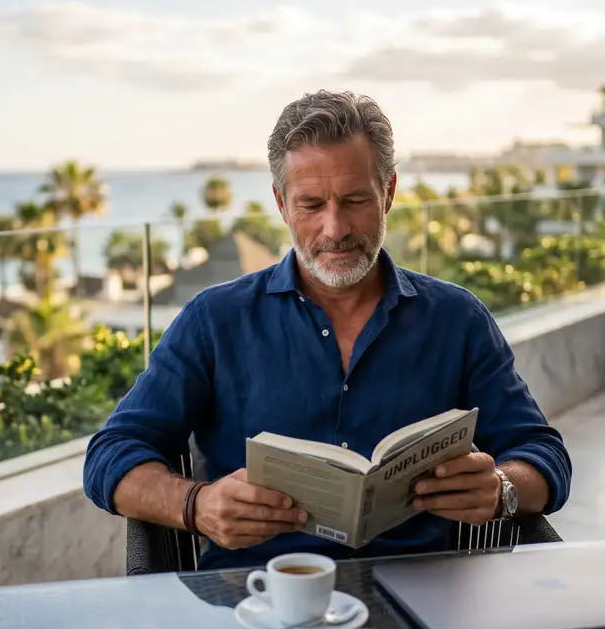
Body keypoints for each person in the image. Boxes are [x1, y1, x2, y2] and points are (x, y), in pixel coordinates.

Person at [84, 90, 572, 570]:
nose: (335, 229)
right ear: (281, 203)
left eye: (355, 199)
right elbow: (110, 454)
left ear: (389, 192)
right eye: (312, 205)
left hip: (421, 596)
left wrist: (503, 488)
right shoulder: (214, 320)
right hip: (256, 596)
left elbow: (544, 454)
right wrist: (196, 505)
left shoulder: (456, 319)